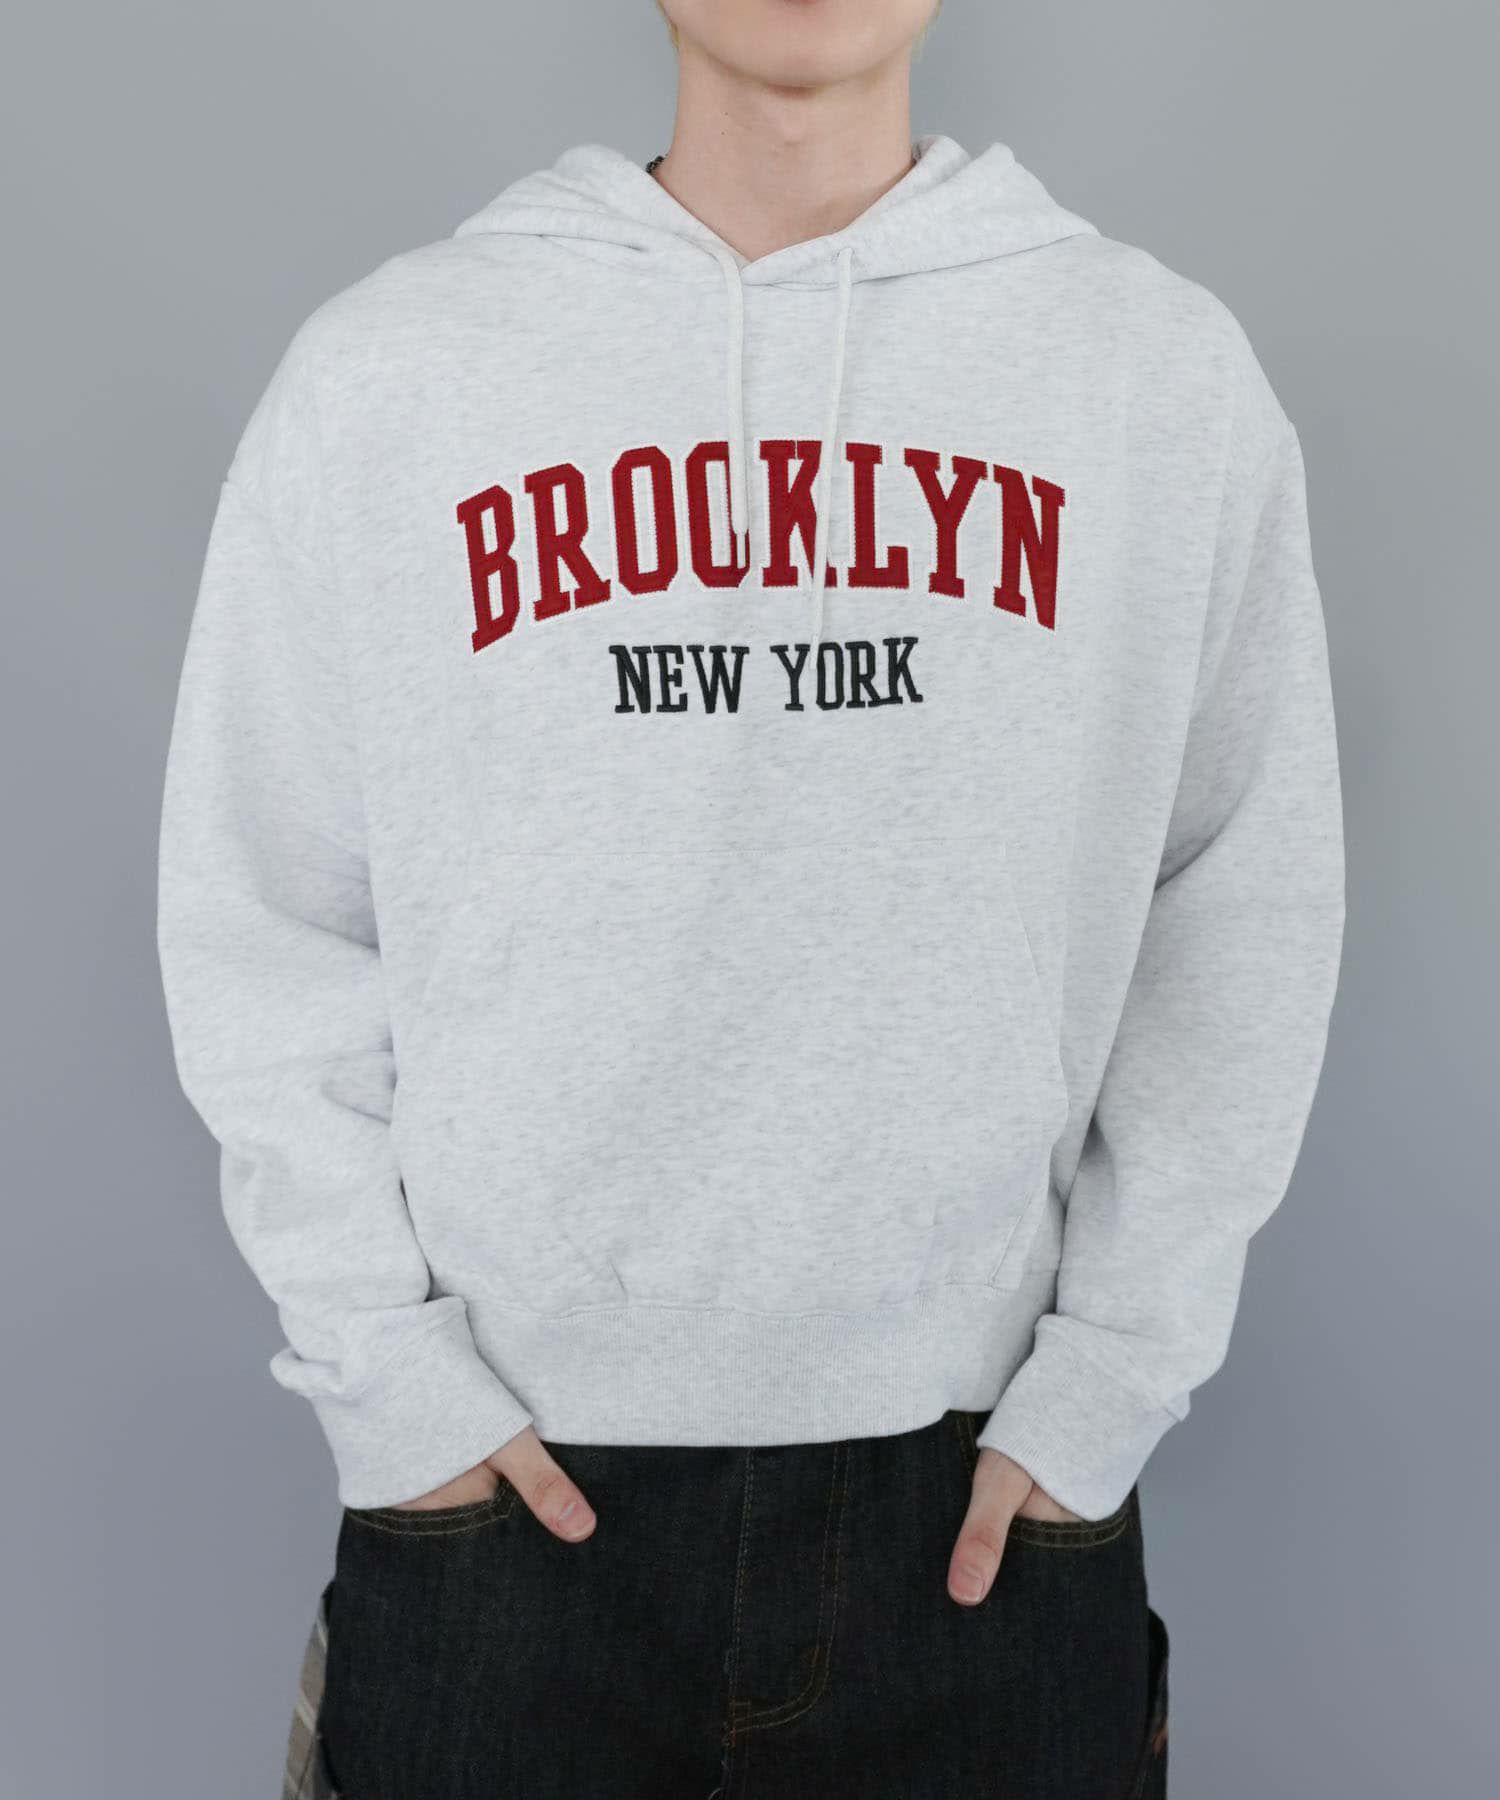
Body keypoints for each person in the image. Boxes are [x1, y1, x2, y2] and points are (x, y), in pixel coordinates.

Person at [156, 1, 1345, 1794]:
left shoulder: (1154, 374)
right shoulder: (393, 371)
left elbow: (1241, 897)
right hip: (506, 1522)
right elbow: (267, 906)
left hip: (980, 1513)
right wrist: (391, 1385)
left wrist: (1108, 1380)